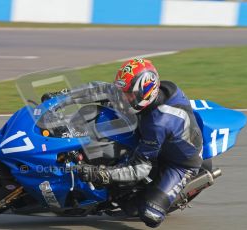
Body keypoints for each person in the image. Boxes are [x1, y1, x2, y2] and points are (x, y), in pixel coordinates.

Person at [77, 58, 203, 228]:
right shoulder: (152, 94)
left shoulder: (157, 123)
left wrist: (102, 174)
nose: (122, 97)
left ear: (146, 92)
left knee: (148, 214)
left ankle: (172, 189)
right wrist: (62, 96)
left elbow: (140, 168)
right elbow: (103, 89)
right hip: (159, 138)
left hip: (179, 164)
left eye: (128, 94)